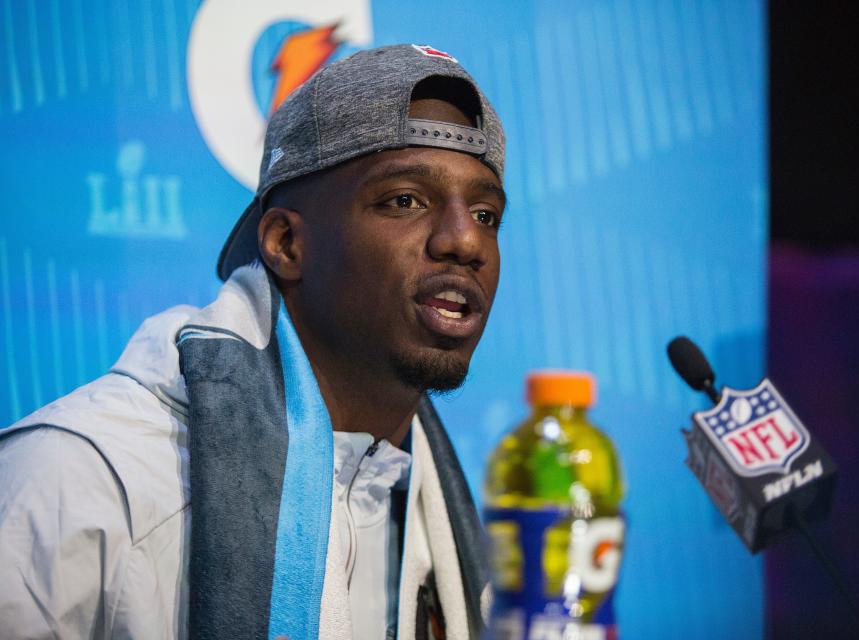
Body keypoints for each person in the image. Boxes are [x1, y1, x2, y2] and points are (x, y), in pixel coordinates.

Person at [0, 44, 507, 639]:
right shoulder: (82, 480)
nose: (464, 242)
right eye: (405, 200)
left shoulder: (423, 500)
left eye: (485, 215)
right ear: (287, 244)